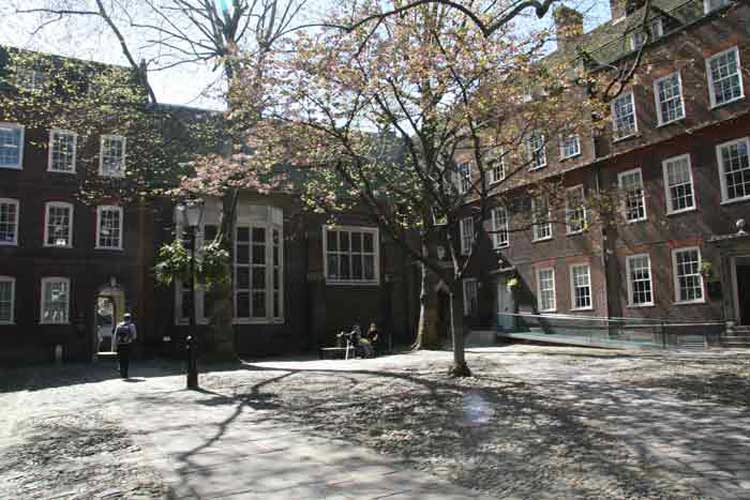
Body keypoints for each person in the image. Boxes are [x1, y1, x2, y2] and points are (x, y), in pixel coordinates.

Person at [114, 313, 137, 378]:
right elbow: (134, 336)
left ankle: (121, 371)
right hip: (127, 344)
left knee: (120, 358)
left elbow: (115, 335)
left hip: (120, 345)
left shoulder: (119, 325)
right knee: (126, 359)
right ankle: (125, 373)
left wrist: (115, 344)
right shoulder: (132, 325)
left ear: (123, 318)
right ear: (130, 318)